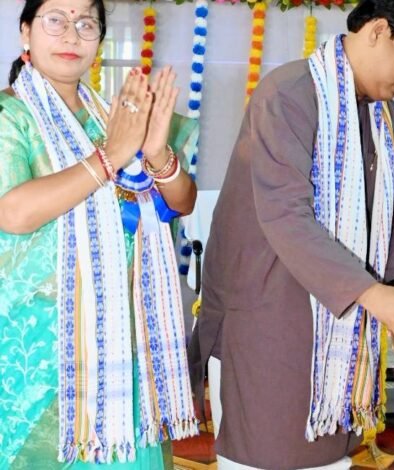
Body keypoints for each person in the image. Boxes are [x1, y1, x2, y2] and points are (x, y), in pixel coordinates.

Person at [188, 1, 394, 468]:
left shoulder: (386, 118)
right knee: (263, 456)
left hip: (342, 319)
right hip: (268, 315)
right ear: (378, 31)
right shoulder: (289, 93)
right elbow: (286, 215)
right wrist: (371, 293)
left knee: (331, 460)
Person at [0, 0, 200, 467]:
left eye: (86, 23)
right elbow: (12, 212)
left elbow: (181, 202)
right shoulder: (10, 116)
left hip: (121, 338)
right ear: (26, 32)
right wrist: (109, 157)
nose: (71, 35)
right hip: (41, 347)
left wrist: (156, 153)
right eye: (56, 20)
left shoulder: (114, 116)